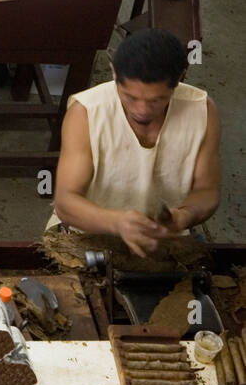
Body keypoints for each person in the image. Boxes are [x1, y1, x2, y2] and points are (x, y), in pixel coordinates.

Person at [50, 29, 221, 258]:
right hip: (87, 235)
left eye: (156, 100)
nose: (141, 110)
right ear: (114, 73)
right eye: (130, 97)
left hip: (164, 239)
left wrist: (185, 215)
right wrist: (117, 223)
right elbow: (66, 201)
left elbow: (207, 191)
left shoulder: (202, 111)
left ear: (179, 79)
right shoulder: (86, 113)